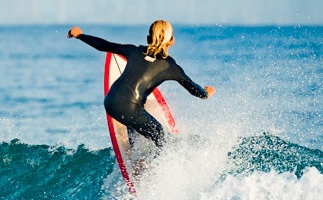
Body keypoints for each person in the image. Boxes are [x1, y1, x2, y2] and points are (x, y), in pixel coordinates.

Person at [67, 20, 215, 148]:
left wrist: (80, 35)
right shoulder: (170, 66)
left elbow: (104, 45)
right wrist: (205, 93)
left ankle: (135, 154)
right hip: (129, 107)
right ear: (171, 41)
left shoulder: (134, 50)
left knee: (135, 119)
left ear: (148, 38)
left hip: (110, 100)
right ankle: (159, 166)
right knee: (160, 135)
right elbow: (194, 89)